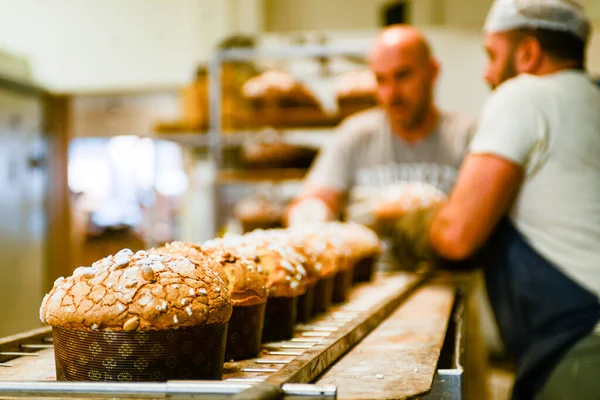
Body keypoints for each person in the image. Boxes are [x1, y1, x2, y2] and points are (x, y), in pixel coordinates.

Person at [392, 1, 600, 398]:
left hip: (581, 351)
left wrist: (409, 228)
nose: (488, 73)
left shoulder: (524, 95)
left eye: (492, 55)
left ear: (528, 54)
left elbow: (457, 235)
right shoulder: (591, 97)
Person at [287, 25, 476, 226]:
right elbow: (318, 196)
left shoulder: (466, 136)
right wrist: (310, 214)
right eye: (381, 80)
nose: (391, 94)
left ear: (433, 71)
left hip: (441, 256)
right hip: (370, 256)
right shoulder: (355, 134)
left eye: (402, 76)